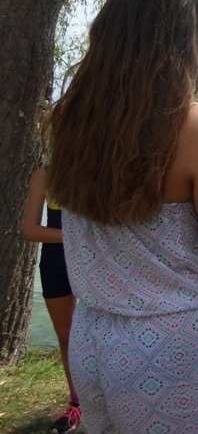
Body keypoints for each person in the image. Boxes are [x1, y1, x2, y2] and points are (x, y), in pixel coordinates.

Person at [45, 0, 198, 432]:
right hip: (177, 345)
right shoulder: (196, 127)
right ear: (183, 34)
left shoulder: (68, 119)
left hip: (93, 336)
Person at [22, 166, 81, 433]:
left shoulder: (99, 167)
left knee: (106, 330)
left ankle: (111, 397)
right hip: (56, 262)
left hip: (92, 261)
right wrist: (74, 237)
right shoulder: (45, 175)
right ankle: (76, 403)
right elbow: (30, 230)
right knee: (66, 336)